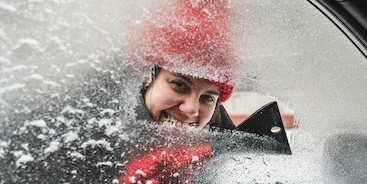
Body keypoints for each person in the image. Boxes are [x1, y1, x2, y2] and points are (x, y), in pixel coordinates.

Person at [121, 0, 240, 183]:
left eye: (207, 97)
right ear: (146, 79)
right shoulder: (85, 128)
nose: (191, 109)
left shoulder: (223, 152)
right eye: (179, 85)